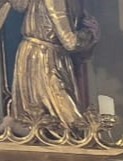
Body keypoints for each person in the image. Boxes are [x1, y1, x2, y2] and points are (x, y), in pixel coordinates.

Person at [6, 0, 98, 128]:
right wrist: (90, 34)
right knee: (67, 120)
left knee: (43, 119)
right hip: (45, 59)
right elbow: (70, 42)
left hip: (34, 53)